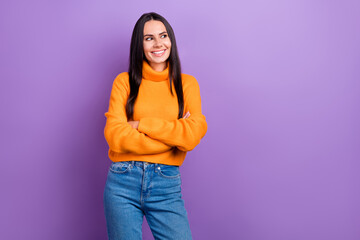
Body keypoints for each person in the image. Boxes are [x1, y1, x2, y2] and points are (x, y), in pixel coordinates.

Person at [103, 12, 207, 240]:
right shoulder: (124, 82)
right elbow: (114, 135)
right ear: (139, 45)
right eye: (149, 38)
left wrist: (141, 124)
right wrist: (172, 139)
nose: (158, 43)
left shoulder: (187, 84)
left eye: (163, 35)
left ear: (171, 40)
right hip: (122, 181)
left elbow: (191, 136)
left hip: (166, 183)